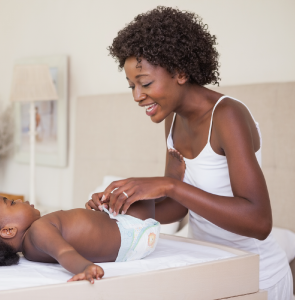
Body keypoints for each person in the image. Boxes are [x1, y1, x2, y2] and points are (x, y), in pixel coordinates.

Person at [89, 6, 291, 299]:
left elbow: (259, 222)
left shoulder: (228, 116)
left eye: (145, 83)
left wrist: (169, 185)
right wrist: (120, 205)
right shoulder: (171, 118)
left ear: (180, 72)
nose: (136, 96)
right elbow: (178, 207)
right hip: (210, 268)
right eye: (131, 85)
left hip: (258, 277)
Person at [0, 194, 160, 283]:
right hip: (131, 230)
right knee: (133, 190)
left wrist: (100, 215)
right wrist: (84, 268)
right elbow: (65, 253)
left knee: (139, 200)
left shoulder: (31, 250)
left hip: (128, 241)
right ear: (8, 231)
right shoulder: (38, 231)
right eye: (12, 203)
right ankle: (174, 178)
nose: (22, 199)